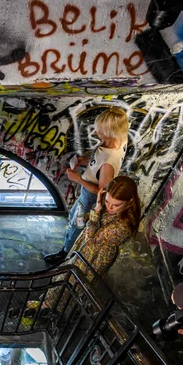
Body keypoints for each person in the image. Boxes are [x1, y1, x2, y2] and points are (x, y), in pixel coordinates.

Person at [45, 108, 128, 266]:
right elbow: (101, 157)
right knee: (74, 218)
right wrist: (86, 160)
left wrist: (78, 179)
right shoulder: (119, 140)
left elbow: (101, 193)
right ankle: (68, 249)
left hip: (90, 197)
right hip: (85, 195)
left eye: (101, 130)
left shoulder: (109, 164)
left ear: (111, 131)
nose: (96, 133)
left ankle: (66, 254)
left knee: (77, 226)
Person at [71, 176, 141, 279]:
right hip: (85, 252)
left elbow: (90, 241)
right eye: (107, 201)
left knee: (71, 285)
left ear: (130, 201)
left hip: (92, 259)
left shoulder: (122, 226)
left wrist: (96, 212)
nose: (109, 207)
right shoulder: (111, 208)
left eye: (116, 205)